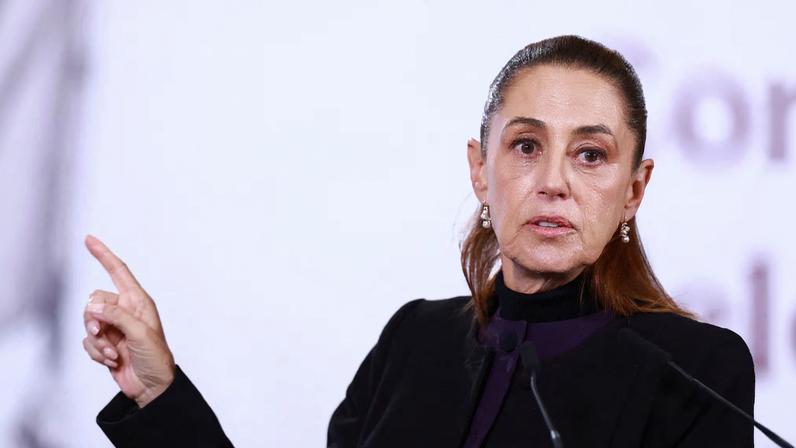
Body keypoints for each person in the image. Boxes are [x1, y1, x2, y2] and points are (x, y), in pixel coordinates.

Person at [82, 35, 755, 447]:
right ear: (479, 169)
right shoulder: (414, 340)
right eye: (526, 145)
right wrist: (158, 391)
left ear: (634, 190)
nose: (553, 182)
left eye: (590, 155)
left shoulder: (698, 369)